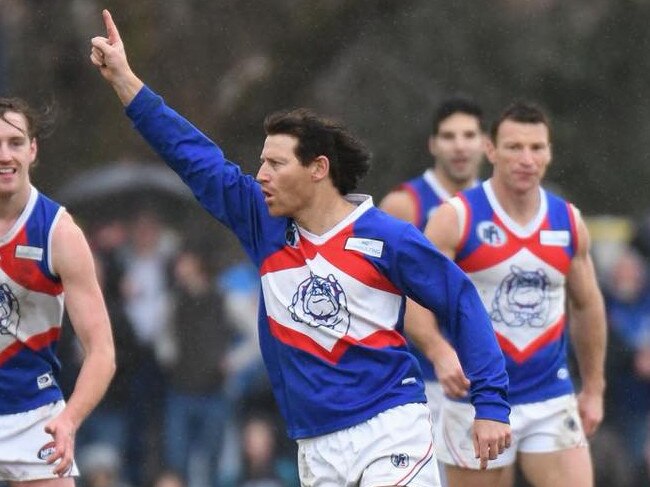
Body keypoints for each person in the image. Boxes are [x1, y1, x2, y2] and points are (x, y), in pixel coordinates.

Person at [90, 10, 511, 486]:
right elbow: (195, 158)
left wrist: (491, 403)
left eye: (275, 163)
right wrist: (126, 81)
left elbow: (461, 300)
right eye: (260, 162)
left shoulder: (386, 237)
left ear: (317, 169)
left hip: (390, 429)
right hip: (315, 444)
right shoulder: (263, 225)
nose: (261, 175)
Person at [409, 102, 606, 487]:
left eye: (537, 147)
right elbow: (414, 299)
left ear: (549, 153)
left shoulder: (567, 221)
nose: (527, 159)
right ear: (491, 150)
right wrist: (438, 351)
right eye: (514, 147)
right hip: (478, 397)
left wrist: (594, 388)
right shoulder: (456, 218)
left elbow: (588, 305)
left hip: (549, 391)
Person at [0, 97, 115, 485]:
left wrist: (69, 420)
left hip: (35, 418)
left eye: (15, 143)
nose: (4, 155)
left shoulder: (59, 232)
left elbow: (102, 352)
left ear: (32, 149)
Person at [379, 97, 485, 423]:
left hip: (488, 374)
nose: (460, 146)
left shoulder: (496, 206)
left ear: (486, 144)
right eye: (449, 137)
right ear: (433, 144)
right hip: (421, 377)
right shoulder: (403, 204)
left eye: (469, 136)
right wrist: (436, 349)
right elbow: (379, 292)